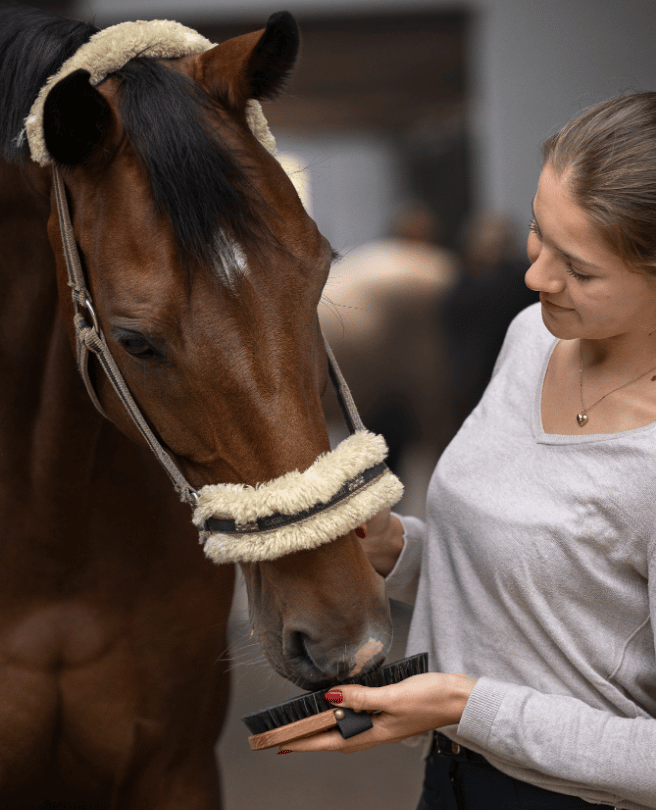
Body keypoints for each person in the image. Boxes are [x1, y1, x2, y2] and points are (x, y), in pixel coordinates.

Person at [279, 92, 656, 810]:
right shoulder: (534, 339)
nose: (536, 276)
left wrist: (463, 703)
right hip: (453, 780)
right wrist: (399, 548)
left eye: (579, 269)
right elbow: (545, 592)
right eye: (537, 232)